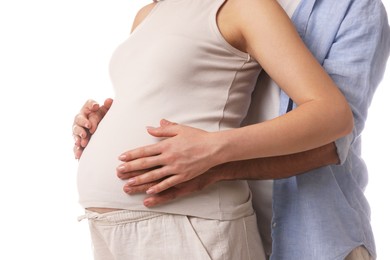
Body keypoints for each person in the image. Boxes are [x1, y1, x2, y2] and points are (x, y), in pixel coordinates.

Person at [74, 0, 390, 259]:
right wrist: (106, 123)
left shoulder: (349, 8)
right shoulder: (156, 12)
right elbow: (171, 93)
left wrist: (214, 161)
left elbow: (332, 141)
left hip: (300, 231)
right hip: (127, 222)